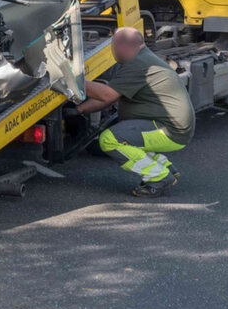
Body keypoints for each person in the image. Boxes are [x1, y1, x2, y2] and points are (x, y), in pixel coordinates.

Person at [76, 26, 195, 198]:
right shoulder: (144, 58)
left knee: (110, 140)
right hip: (172, 127)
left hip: (170, 131)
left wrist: (74, 81)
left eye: (113, 46)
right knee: (129, 134)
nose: (112, 51)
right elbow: (109, 97)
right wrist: (80, 109)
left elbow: (107, 94)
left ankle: (158, 177)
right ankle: (166, 168)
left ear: (122, 46)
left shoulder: (139, 64)